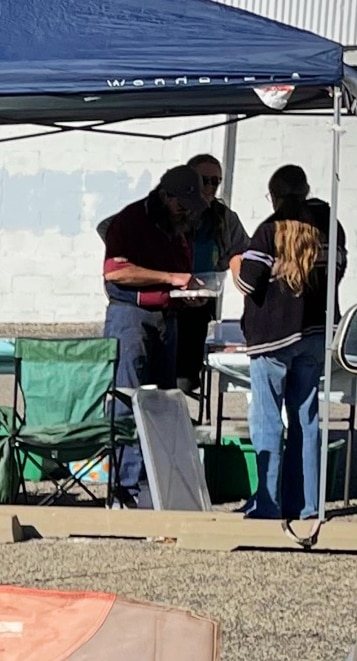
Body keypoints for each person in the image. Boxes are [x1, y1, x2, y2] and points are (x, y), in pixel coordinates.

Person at [232, 165, 348, 520]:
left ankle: (268, 502)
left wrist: (235, 262)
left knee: (268, 420)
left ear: (275, 195)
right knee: (307, 418)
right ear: (307, 189)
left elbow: (249, 283)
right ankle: (308, 504)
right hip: (315, 333)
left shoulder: (269, 230)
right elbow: (339, 270)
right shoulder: (330, 226)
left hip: (272, 338)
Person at [100, 164, 212, 505]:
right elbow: (116, 271)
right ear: (165, 195)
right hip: (131, 318)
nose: (186, 211)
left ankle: (157, 485)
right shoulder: (131, 220)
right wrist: (171, 278)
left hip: (168, 318)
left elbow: (178, 275)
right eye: (181, 204)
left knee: (163, 403)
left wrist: (188, 293)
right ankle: (124, 488)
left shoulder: (179, 226)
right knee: (127, 400)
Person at [173, 153, 250, 384]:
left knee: (184, 379)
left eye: (215, 181)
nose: (209, 187)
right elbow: (112, 229)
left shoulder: (224, 217)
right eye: (203, 180)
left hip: (199, 306)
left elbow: (241, 251)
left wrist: (234, 275)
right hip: (163, 306)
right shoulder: (167, 208)